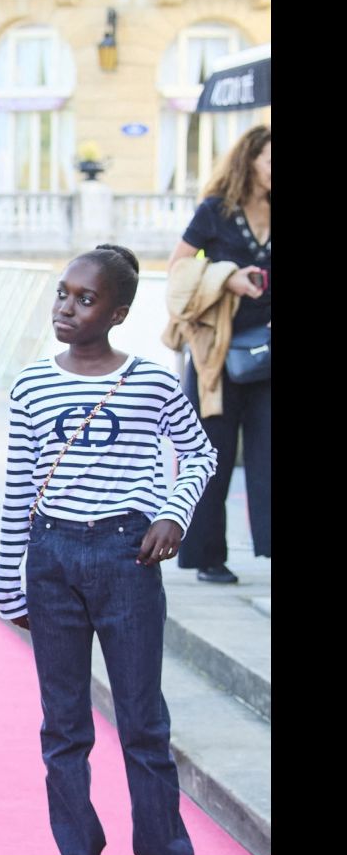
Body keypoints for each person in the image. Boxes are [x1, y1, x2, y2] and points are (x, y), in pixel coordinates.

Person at [0, 244, 217, 855]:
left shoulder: (150, 383)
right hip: (51, 557)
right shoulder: (32, 386)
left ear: (118, 312)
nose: (66, 306)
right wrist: (9, 585)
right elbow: (20, 490)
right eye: (63, 293)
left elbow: (199, 452)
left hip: (126, 557)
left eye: (85, 299)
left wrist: (173, 513)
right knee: (64, 729)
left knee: (143, 724)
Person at [164, 125, 270, 583]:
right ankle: (206, 556)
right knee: (212, 452)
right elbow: (178, 267)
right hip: (217, 353)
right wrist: (226, 276)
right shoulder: (216, 212)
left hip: (268, 351)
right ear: (248, 162)